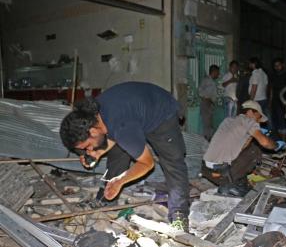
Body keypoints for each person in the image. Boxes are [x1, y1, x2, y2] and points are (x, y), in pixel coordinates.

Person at [59, 82, 190, 231]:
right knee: (117, 153)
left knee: (173, 162)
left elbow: (147, 163)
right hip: (133, 114)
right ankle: (107, 198)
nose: (88, 151)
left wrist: (120, 181)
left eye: (87, 147)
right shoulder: (95, 115)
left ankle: (179, 214)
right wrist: (98, 152)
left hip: (161, 113)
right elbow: (111, 134)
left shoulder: (121, 127)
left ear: (93, 131)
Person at [201, 100, 286, 197]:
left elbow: (238, 149)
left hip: (207, 170)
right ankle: (230, 186)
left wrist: (251, 136)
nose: (258, 121)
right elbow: (265, 143)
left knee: (247, 149)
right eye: (258, 117)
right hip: (223, 175)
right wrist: (276, 145)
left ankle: (236, 182)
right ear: (251, 111)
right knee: (255, 150)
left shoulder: (228, 120)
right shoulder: (249, 121)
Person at [269, 58, 286, 138]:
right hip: (275, 100)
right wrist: (270, 100)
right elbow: (271, 88)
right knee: (275, 117)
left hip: (284, 100)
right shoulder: (273, 75)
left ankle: (285, 136)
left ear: (282, 65)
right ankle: (277, 136)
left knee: (283, 117)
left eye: (278, 65)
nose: (277, 67)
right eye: (275, 66)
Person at [199, 64, 220, 141]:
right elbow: (200, 92)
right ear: (214, 72)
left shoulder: (211, 81)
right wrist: (207, 98)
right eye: (217, 72)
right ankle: (206, 140)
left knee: (209, 123)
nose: (218, 74)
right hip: (206, 103)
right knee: (207, 123)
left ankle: (209, 139)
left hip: (210, 104)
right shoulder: (206, 80)